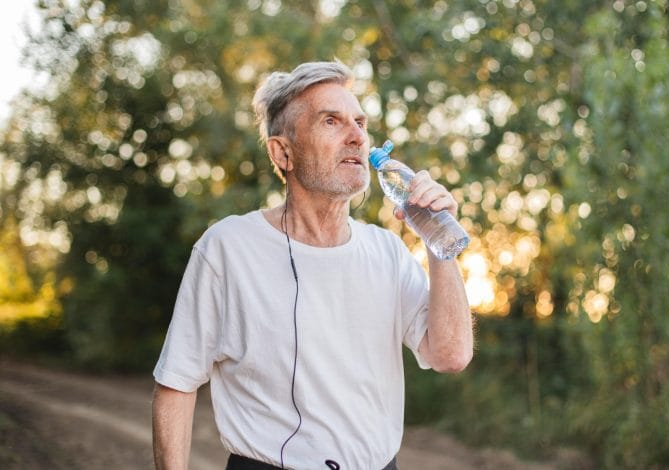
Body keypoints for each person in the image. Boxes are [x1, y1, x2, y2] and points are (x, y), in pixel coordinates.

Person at [151, 61, 473, 470]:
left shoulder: (387, 251)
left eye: (360, 122)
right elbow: (176, 384)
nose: (357, 137)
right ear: (282, 152)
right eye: (331, 122)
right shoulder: (228, 249)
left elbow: (451, 355)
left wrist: (439, 243)